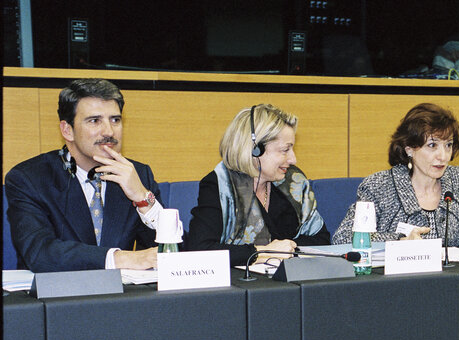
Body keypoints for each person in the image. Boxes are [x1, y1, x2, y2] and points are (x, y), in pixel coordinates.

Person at [5, 78, 163, 273]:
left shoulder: (137, 175)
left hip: (121, 299)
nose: (109, 131)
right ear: (67, 130)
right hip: (59, 298)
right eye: (95, 121)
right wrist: (120, 258)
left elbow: (177, 251)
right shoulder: (30, 179)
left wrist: (143, 199)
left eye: (115, 120)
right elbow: (40, 253)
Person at [332, 103, 459, 248]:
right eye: (432, 145)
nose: (443, 156)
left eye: (448, 145)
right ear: (410, 149)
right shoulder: (379, 186)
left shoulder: (458, 179)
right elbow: (343, 238)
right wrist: (399, 241)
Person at [186, 104, 330, 266]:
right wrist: (262, 252)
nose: (293, 159)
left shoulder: (294, 181)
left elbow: (321, 239)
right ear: (255, 150)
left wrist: (287, 248)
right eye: (285, 150)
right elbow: (200, 249)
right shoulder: (220, 185)